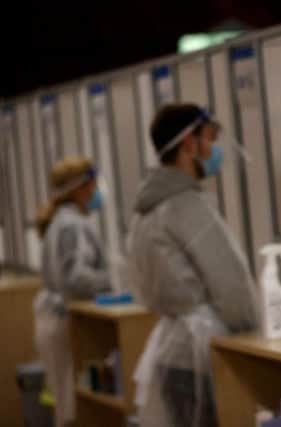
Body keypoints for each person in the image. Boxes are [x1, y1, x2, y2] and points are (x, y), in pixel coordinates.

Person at [127, 103, 257, 427]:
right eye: (209, 139)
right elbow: (230, 282)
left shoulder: (145, 209)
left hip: (171, 350)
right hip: (203, 354)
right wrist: (252, 333)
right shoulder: (187, 205)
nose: (214, 150)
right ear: (188, 144)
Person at [34, 157, 112, 427]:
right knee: (72, 409)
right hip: (65, 323)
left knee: (66, 406)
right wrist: (114, 278)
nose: (97, 191)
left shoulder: (63, 221)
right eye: (93, 184)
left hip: (55, 320)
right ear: (80, 189)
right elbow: (74, 279)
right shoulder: (71, 225)